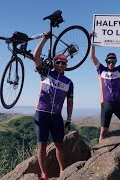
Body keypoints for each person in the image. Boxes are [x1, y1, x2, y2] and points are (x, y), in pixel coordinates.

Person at [33, 32, 73, 180]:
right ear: (54, 63)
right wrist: (44, 38)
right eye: (58, 62)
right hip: (42, 113)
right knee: (41, 145)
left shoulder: (69, 82)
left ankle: (63, 171)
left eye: (64, 63)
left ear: (66, 65)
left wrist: (68, 120)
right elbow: (36, 56)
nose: (61, 64)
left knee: (59, 145)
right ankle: (44, 174)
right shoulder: (46, 73)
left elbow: (70, 102)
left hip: (56, 116)